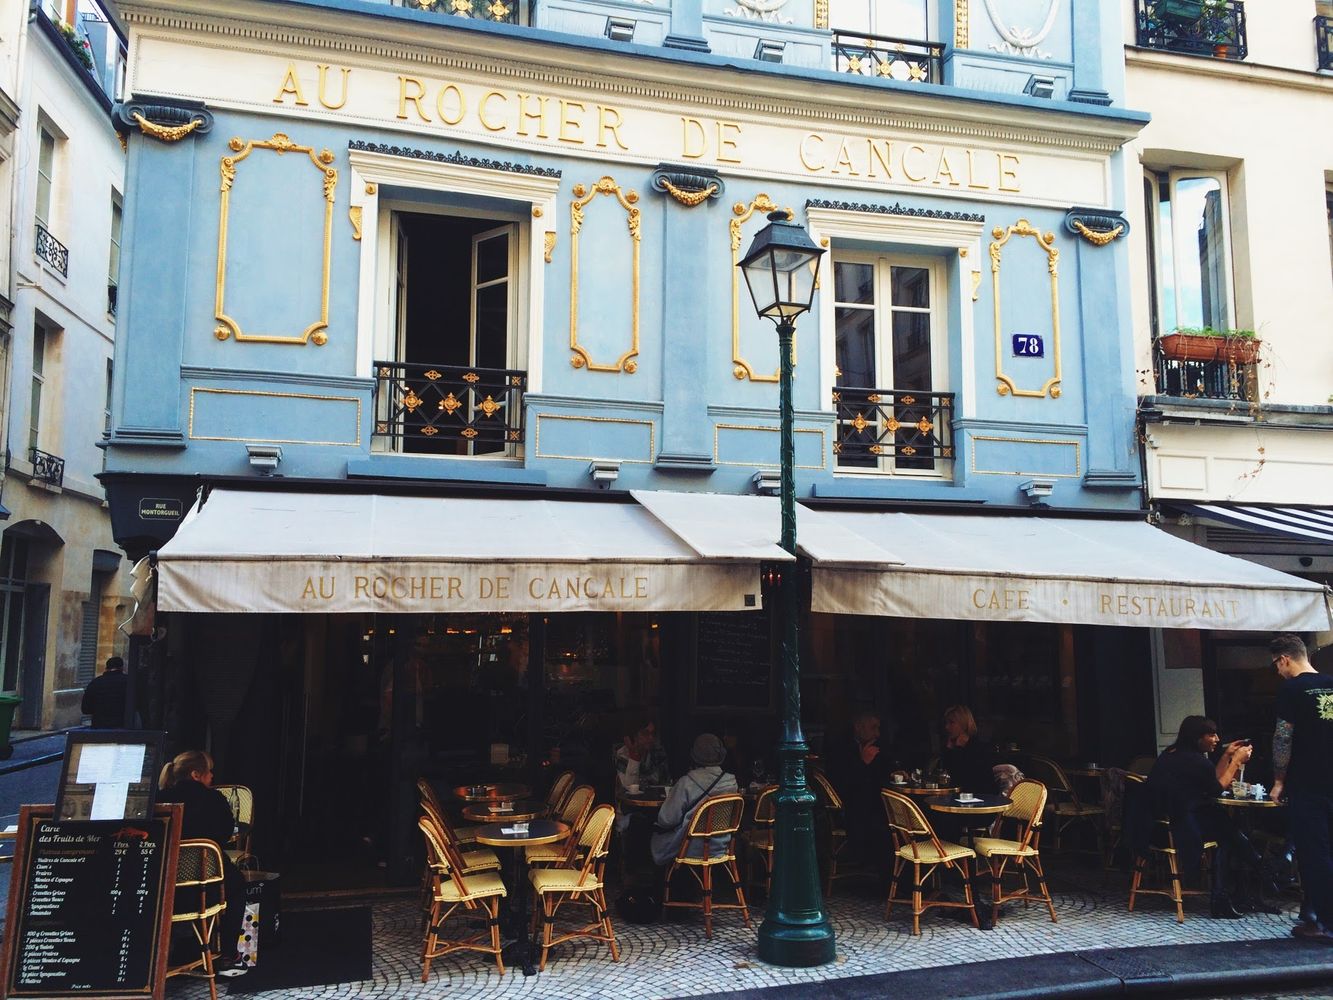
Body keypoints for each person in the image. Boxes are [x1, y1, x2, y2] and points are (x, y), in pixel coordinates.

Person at [1147, 715, 1271, 918]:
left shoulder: (1171, 754)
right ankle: (1260, 873)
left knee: (1225, 828)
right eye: (1211, 734)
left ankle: (1236, 889)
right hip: (1179, 828)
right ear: (1198, 738)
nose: (1216, 739)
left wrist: (1225, 756)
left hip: (1160, 823)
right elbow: (1216, 789)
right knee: (1226, 833)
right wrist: (1236, 761)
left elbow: (1210, 781)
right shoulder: (1195, 761)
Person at [1269, 633, 1333, 941]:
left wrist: (1279, 781)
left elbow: (1283, 737)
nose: (1277, 672)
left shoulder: (1291, 689)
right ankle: (1314, 918)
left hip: (1308, 784)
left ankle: (1325, 922)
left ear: (1284, 659)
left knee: (1314, 853)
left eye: (1276, 666)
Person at [157, 751, 247, 967]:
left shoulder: (159, 800)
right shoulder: (214, 800)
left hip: (161, 888)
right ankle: (228, 952)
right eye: (209, 772)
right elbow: (226, 834)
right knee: (238, 887)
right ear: (196, 774)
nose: (212, 776)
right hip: (206, 888)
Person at [650, 733, 738, 867]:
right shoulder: (732, 783)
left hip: (691, 846)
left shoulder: (687, 782)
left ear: (695, 756)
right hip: (721, 845)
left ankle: (659, 883)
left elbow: (666, 820)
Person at [825, 710, 890, 871]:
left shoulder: (876, 746)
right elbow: (841, 785)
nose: (877, 733)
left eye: (878, 728)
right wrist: (863, 762)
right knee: (886, 829)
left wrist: (895, 773)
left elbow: (882, 773)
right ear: (858, 727)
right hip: (849, 810)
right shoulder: (840, 747)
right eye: (873, 728)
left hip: (877, 803)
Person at [939, 705, 997, 796]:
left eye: (951, 723)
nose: (947, 727)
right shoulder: (951, 745)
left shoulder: (977, 747)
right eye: (946, 723)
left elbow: (961, 777)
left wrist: (958, 749)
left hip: (981, 799)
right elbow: (944, 774)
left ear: (963, 724)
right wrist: (949, 749)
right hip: (959, 797)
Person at [81, 656, 127, 729]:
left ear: (106, 668)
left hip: (99, 726)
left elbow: (85, 709)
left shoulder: (95, 682)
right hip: (122, 726)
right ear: (122, 668)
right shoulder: (129, 682)